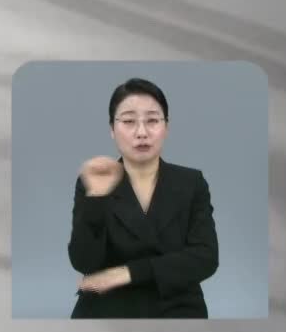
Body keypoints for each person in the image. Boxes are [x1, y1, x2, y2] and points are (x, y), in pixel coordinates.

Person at [67, 77, 218, 318]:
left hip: (176, 304)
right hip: (108, 305)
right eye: (128, 121)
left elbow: (205, 258)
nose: (141, 132)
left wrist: (128, 273)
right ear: (111, 129)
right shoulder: (93, 180)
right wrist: (95, 198)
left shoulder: (191, 183)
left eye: (152, 121)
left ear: (166, 127)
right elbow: (84, 263)